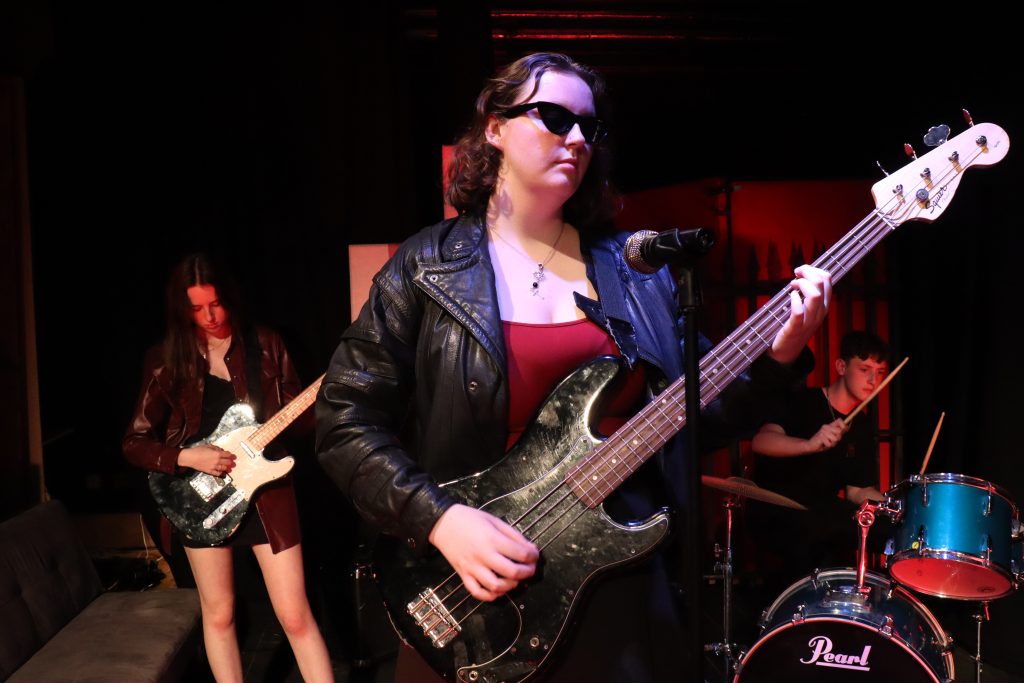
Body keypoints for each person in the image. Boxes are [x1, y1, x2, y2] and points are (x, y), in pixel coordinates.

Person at [315, 52, 831, 682]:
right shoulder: (428, 266)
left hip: (613, 585)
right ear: (495, 128)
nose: (579, 138)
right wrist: (439, 518)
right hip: (467, 583)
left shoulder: (635, 274)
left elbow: (700, 418)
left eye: (591, 126)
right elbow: (343, 420)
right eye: (556, 118)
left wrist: (780, 355)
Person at [123, 253, 334, 683]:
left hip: (267, 495)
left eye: (215, 304)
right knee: (219, 615)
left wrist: (323, 400)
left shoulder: (267, 344)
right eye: (197, 308)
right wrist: (186, 457)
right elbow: (134, 443)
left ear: (229, 298)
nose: (209, 316)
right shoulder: (164, 359)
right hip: (198, 495)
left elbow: (300, 424)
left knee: (295, 615)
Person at [748, 330, 890, 591]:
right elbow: (761, 441)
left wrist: (896, 507)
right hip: (777, 511)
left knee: (886, 530)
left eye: (880, 372)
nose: (873, 380)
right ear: (841, 367)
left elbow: (857, 491)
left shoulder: (862, 425)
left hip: (822, 518)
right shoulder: (802, 401)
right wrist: (809, 445)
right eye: (864, 369)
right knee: (821, 529)